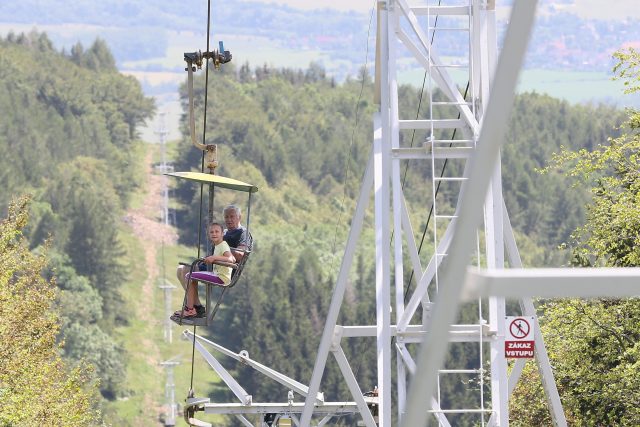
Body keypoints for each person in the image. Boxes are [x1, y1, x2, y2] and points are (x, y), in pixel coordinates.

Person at [174, 222, 235, 318]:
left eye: (217, 232)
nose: (214, 234)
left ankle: (190, 309)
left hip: (221, 277)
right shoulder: (218, 245)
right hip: (217, 274)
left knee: (189, 276)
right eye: (211, 232)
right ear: (208, 234)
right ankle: (193, 307)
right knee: (192, 276)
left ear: (222, 233)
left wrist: (214, 258)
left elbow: (231, 259)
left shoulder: (223, 245)